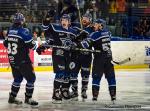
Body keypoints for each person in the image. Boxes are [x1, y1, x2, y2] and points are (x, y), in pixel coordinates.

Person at [36, 14, 77, 103]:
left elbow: (76, 41)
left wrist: (74, 45)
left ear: (69, 22)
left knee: (67, 74)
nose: (64, 21)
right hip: (58, 54)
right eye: (62, 20)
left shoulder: (73, 32)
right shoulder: (56, 28)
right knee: (60, 74)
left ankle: (64, 91)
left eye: (66, 20)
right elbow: (46, 29)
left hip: (68, 55)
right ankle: (55, 94)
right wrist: (43, 47)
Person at [3, 13, 38, 106]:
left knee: (17, 79)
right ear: (22, 21)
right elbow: (33, 45)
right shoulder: (24, 31)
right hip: (23, 61)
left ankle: (12, 97)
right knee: (31, 79)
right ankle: (28, 98)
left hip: (13, 60)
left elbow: (5, 44)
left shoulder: (10, 30)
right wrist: (37, 44)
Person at [80, 19, 116, 103]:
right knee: (111, 77)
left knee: (96, 78)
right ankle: (113, 96)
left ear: (101, 25)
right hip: (109, 57)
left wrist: (77, 43)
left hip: (99, 58)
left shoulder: (95, 34)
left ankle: (95, 97)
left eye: (96, 24)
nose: (94, 26)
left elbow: (85, 45)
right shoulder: (108, 32)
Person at [69, 13, 94, 101]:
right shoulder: (77, 28)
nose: (84, 19)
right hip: (75, 55)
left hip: (86, 56)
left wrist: (82, 34)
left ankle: (84, 91)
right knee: (73, 74)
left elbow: (90, 40)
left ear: (90, 20)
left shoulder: (92, 29)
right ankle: (74, 92)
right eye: (83, 18)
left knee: (85, 75)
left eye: (86, 18)